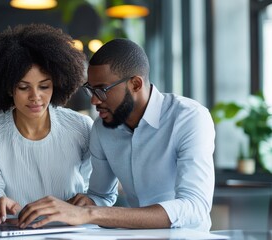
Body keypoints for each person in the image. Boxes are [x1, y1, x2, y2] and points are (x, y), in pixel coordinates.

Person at [17, 38, 215, 232]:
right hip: (135, 236)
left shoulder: (189, 118)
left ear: (135, 84)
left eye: (102, 90)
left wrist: (90, 214)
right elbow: (101, 195)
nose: (94, 100)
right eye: (91, 90)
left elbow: (194, 206)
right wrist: (82, 204)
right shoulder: (102, 129)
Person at [0, 23, 93, 224]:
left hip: (73, 232)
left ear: (57, 83)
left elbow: (96, 190)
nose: (35, 97)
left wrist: (89, 200)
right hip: (16, 231)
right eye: (24, 87)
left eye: (44, 86)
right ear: (9, 89)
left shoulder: (81, 126)